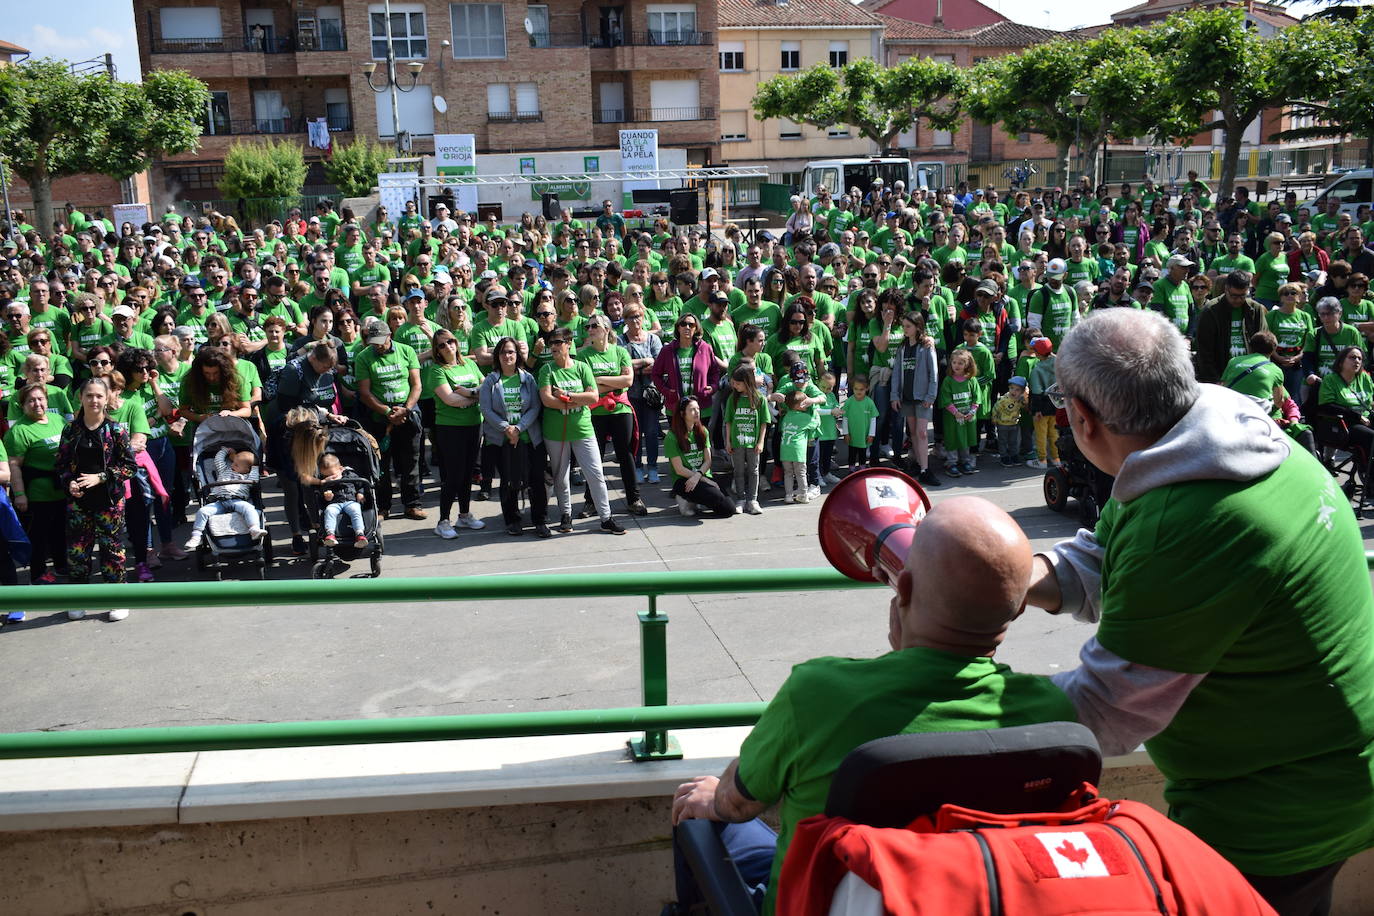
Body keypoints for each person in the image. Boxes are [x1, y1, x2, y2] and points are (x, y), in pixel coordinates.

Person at [1025, 308, 1374, 916]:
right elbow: (1107, 551)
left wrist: (956, 698)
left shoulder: (1188, 519)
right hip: (1326, 779)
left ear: (1079, 419)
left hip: (1274, 815)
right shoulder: (1212, 435)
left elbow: (1108, 712)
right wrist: (1014, 577)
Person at [669, 496, 1076, 915]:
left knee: (697, 814)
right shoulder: (1053, 713)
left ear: (906, 587)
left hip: (820, 902)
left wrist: (714, 798)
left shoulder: (817, 692)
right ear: (1022, 605)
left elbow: (736, 804)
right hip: (966, 899)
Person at [54, 377, 137, 621]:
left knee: (112, 552)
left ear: (107, 398)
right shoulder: (71, 430)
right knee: (78, 552)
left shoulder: (116, 430)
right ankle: (80, 599)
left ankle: (117, 600)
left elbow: (129, 467)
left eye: (99, 396)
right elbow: (60, 464)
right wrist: (68, 481)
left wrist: (101, 477)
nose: (94, 400)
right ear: (81, 398)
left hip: (109, 502)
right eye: (89, 395)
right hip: (79, 501)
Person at [538, 327, 625, 535]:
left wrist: (567, 396)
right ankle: (565, 515)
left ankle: (606, 517)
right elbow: (547, 400)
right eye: (551, 343)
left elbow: (594, 397)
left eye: (558, 342)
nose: (554, 347)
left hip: (583, 429)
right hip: (556, 432)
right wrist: (578, 398)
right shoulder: (546, 370)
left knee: (595, 474)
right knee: (561, 476)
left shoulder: (581, 367)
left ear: (569, 344)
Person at [478, 336, 550, 538]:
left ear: (517, 355)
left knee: (536, 481)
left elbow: (536, 406)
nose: (507, 355)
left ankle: (540, 520)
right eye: (503, 352)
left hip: (529, 438)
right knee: (509, 482)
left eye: (511, 352)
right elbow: (486, 409)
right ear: (497, 356)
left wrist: (518, 428)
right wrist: (506, 429)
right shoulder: (491, 381)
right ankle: (512, 520)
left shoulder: (528, 378)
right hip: (503, 439)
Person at [354, 316, 425, 521]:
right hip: (379, 419)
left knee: (410, 461)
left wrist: (406, 409)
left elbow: (416, 384)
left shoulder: (406, 351)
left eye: (381, 342)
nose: (378, 347)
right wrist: (386, 412)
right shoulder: (363, 357)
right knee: (381, 466)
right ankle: (383, 507)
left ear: (390, 336)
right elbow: (365, 393)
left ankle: (412, 504)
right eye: (373, 343)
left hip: (407, 415)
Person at [4, 383, 67, 583]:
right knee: (38, 536)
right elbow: (14, 466)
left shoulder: (58, 420)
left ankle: (61, 566)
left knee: (60, 531)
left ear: (47, 401)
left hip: (61, 489)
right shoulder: (19, 431)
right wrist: (20, 494)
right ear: (22, 405)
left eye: (40, 399)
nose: (37, 404)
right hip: (37, 493)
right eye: (31, 400)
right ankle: (38, 575)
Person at [427, 328, 486, 538]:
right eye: (441, 345)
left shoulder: (469, 364)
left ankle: (464, 515)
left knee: (468, 473)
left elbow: (485, 388)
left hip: (474, 425)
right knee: (453, 476)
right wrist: (475, 396)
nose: (448, 346)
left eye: (450, 341)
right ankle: (443, 520)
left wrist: (468, 393)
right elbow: (449, 400)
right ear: (437, 350)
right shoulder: (437, 370)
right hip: (450, 428)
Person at [1192, 270, 1269, 383]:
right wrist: (1214, 380)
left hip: (1250, 374)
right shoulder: (1211, 310)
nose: (1238, 300)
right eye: (1233, 296)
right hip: (1220, 376)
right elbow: (1204, 351)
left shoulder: (1256, 309)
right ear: (1226, 289)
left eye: (1242, 295)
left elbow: (1264, 343)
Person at [890, 312, 940, 485]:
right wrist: (895, 395)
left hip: (923, 398)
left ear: (918, 327)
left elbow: (933, 373)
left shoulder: (926, 346)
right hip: (906, 397)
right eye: (903, 326)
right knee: (912, 433)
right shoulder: (902, 347)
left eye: (908, 326)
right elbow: (896, 372)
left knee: (922, 433)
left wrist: (931, 396)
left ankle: (926, 469)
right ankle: (919, 466)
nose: (905, 329)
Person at [664, 396, 734, 518]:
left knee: (729, 508)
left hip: (701, 475)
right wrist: (703, 479)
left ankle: (696, 499)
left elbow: (708, 461)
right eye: (692, 409)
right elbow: (679, 469)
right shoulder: (671, 437)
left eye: (698, 408)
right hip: (684, 480)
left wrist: (700, 477)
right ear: (682, 414)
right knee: (721, 505)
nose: (697, 412)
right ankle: (683, 497)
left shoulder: (703, 431)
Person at [184, 447, 266, 549]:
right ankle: (196, 536)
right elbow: (218, 460)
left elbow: (254, 477)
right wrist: (225, 451)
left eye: (236, 465)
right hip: (219, 501)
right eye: (233, 462)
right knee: (202, 511)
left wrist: (254, 467)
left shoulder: (248, 477)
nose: (232, 465)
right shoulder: (224, 470)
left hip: (238, 500)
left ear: (247, 469)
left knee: (249, 509)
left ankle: (254, 529)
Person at [723, 365, 768, 515]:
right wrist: (728, 441)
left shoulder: (759, 399)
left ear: (747, 382)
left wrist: (760, 441)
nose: (734, 386)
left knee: (754, 470)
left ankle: (752, 500)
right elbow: (728, 421)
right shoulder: (732, 399)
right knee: (739, 471)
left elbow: (764, 422)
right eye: (733, 383)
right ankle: (741, 499)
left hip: (753, 443)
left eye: (738, 383)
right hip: (737, 442)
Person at [314, 452, 369, 549]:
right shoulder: (326, 482)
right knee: (329, 511)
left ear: (341, 469)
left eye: (332, 475)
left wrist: (360, 493)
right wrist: (327, 497)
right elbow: (321, 497)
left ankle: (359, 534)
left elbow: (361, 485)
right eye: (326, 476)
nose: (330, 478)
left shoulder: (350, 475)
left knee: (355, 509)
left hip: (350, 501)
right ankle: (330, 534)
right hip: (334, 503)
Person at [992, 375, 1028, 467]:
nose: (1013, 391)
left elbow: (1024, 407)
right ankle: (1004, 456)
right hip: (1002, 424)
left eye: (1017, 390)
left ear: (1022, 391)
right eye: (1012, 388)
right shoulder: (1004, 399)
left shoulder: (1020, 400)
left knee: (1013, 441)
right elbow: (996, 408)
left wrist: (1025, 399)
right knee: (1002, 441)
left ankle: (1014, 455)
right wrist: (994, 418)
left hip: (1014, 423)